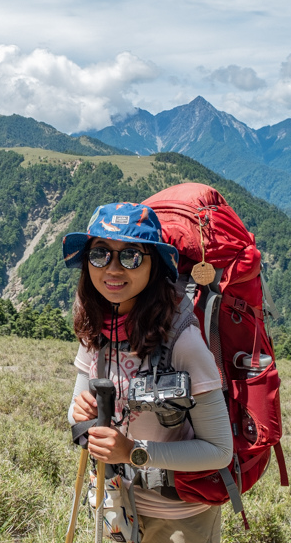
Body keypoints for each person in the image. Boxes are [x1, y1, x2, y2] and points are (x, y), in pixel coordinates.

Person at [64, 202, 232, 543]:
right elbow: (74, 414)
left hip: (179, 517)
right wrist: (81, 413)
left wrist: (132, 452)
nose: (112, 268)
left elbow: (218, 450)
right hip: (115, 502)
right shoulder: (96, 327)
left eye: (131, 256)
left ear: (154, 265)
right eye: (100, 254)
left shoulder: (183, 341)